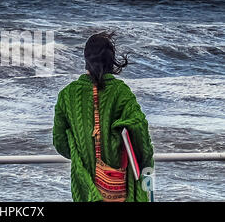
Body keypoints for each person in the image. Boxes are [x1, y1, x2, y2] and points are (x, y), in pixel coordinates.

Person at [52, 31, 154, 202]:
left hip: (83, 182)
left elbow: (60, 143)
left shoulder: (67, 95)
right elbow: (139, 128)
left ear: (86, 59)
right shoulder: (120, 92)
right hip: (118, 180)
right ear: (111, 61)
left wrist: (83, 150)